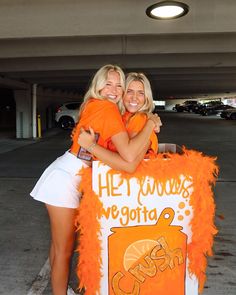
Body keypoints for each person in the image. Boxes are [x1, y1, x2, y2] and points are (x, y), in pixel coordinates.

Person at [30, 64, 160, 295]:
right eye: (108, 84)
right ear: (97, 86)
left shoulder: (100, 107)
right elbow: (129, 160)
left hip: (70, 173)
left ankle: (60, 290)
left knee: (59, 246)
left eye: (118, 85)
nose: (114, 90)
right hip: (65, 178)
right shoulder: (106, 109)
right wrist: (150, 123)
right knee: (64, 250)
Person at [77, 72, 161, 171]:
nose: (134, 97)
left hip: (126, 182)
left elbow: (130, 166)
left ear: (146, 97)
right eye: (129, 91)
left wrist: (91, 146)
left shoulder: (142, 120)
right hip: (104, 178)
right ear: (122, 93)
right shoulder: (116, 116)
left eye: (141, 93)